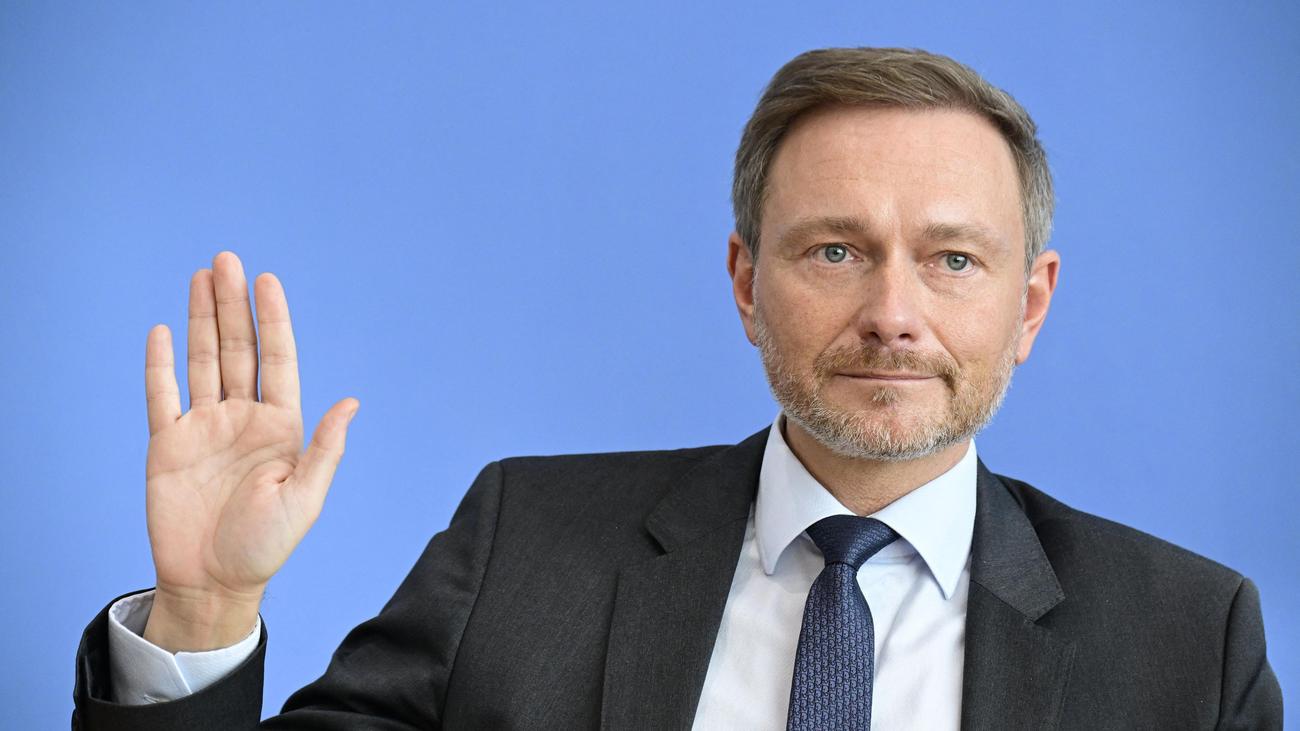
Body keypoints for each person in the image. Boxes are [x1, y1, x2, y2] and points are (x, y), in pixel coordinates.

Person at [72, 47, 1282, 730]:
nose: (892, 311)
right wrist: (205, 613)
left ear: (1030, 304)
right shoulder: (522, 546)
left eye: (952, 259)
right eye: (835, 249)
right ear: (746, 282)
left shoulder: (1187, 637)